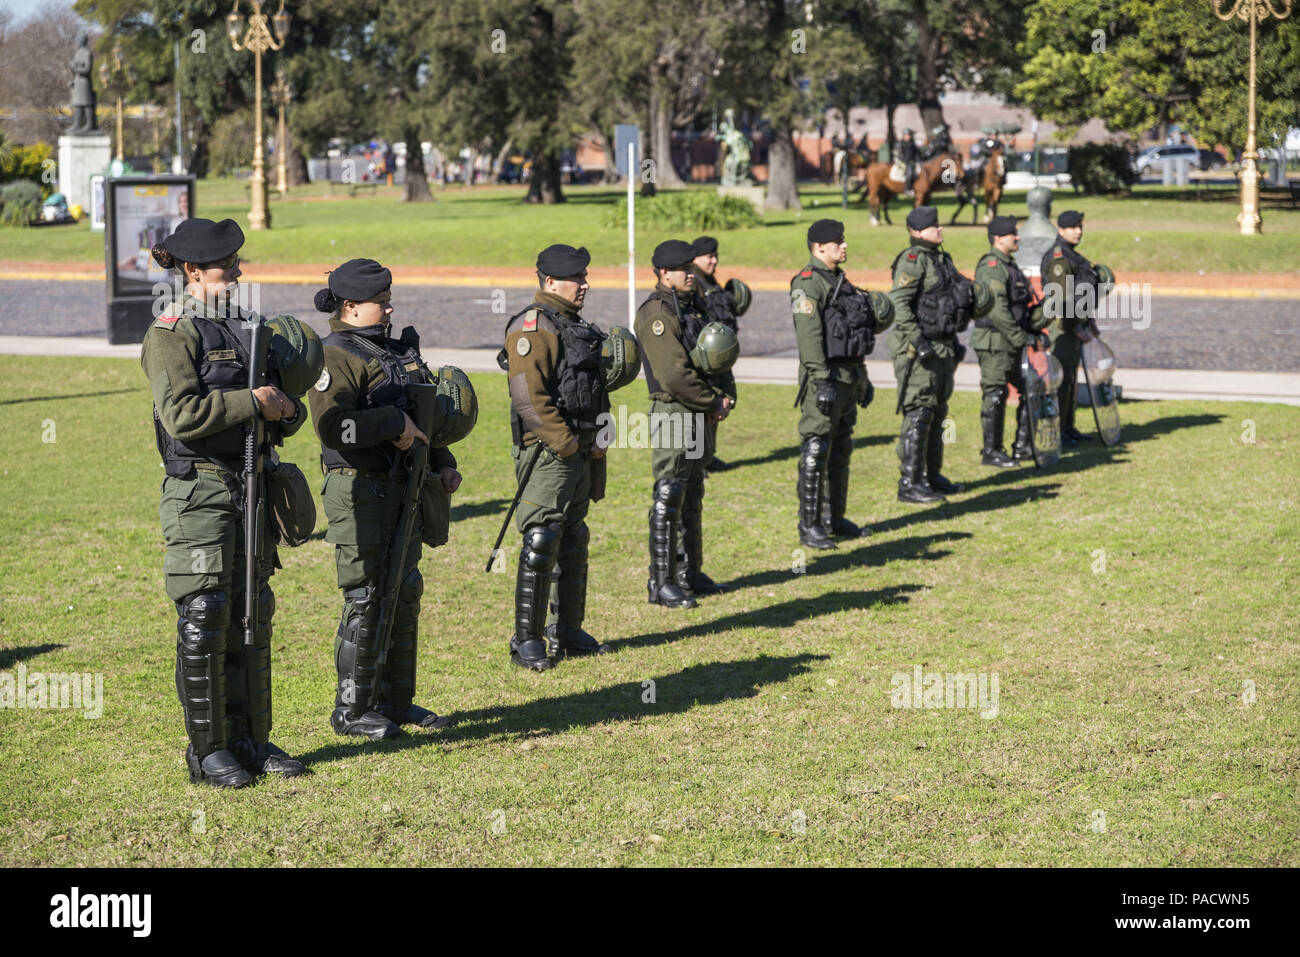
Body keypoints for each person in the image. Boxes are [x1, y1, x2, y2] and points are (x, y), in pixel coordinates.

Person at [142, 217, 310, 788]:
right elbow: (183, 416)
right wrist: (254, 403)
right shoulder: (171, 333)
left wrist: (286, 410)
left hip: (252, 487)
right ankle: (207, 750)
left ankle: (252, 740)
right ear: (193, 272)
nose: (238, 273)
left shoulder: (247, 328)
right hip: (201, 493)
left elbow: (280, 400)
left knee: (251, 611)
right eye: (226, 266)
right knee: (205, 615)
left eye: (237, 263)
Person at [309, 258, 464, 738]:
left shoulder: (395, 351)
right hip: (358, 488)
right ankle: (352, 710)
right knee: (367, 596)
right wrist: (392, 426)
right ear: (352, 307)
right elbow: (334, 426)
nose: (390, 307)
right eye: (381, 302)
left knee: (404, 589)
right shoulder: (335, 354)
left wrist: (441, 460)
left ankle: (397, 701)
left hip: (404, 485)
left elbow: (422, 411)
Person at [502, 244, 613, 671]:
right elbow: (528, 398)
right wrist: (566, 442)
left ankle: (568, 630)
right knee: (540, 540)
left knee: (573, 537)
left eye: (586, 277)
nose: (585, 285)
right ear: (550, 282)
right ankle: (526, 640)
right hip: (549, 453)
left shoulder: (575, 324)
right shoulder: (534, 326)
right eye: (577, 279)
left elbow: (594, 387)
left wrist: (600, 434)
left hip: (582, 449)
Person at [635, 240, 735, 607]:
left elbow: (718, 355)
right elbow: (673, 374)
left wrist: (726, 396)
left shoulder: (694, 306)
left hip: (700, 412)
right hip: (674, 412)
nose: (692, 275)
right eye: (685, 271)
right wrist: (713, 401)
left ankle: (691, 572)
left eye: (693, 270)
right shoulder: (656, 313)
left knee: (693, 493)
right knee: (669, 494)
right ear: (665, 273)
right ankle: (661, 581)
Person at [791, 218, 888, 548]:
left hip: (848, 378)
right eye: (837, 242)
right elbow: (810, 339)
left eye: (843, 240)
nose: (844, 245)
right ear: (819, 247)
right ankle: (810, 525)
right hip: (825, 380)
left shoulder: (840, 281)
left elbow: (853, 334)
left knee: (841, 449)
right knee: (816, 449)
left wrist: (863, 377)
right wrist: (821, 380)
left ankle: (835, 517)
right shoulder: (807, 284)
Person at [888, 206, 982, 504]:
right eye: (933, 226)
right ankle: (910, 482)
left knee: (938, 411)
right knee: (919, 411)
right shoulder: (912, 261)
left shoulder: (942, 259)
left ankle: (932, 475)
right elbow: (899, 304)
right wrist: (918, 339)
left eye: (939, 224)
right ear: (917, 232)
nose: (939, 229)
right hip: (918, 349)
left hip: (942, 344)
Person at [973, 216, 1049, 466]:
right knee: (996, 393)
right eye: (1012, 234)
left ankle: (1023, 446)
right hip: (995, 341)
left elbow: (1022, 310)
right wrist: (1021, 338)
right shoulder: (993, 266)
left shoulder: (1011, 266)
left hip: (1012, 342)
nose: (1018, 237)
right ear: (998, 238)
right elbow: (998, 310)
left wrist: (1037, 328)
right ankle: (991, 451)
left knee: (1032, 387)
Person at [1041, 210, 1101, 445]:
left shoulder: (1071, 255)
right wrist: (1075, 327)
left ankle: (1068, 427)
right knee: (1061, 380)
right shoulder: (1059, 258)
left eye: (1080, 226)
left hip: (1075, 325)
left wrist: (1089, 321)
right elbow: (1060, 298)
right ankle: (1058, 431)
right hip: (1063, 328)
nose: (1079, 231)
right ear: (1060, 230)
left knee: (1070, 381)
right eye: (1073, 227)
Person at [689, 235, 743, 473]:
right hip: (704, 356)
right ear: (695, 258)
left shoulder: (709, 281)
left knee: (717, 402)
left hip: (717, 356)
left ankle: (708, 456)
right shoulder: (694, 283)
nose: (714, 261)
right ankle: (699, 459)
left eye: (715, 256)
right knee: (703, 407)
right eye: (709, 256)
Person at [898, 128, 920, 195]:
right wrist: (906, 161)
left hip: (913, 162)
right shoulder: (901, 144)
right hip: (904, 162)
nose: (908, 137)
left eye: (909, 135)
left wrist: (918, 160)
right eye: (906, 135)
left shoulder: (913, 144)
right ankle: (907, 189)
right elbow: (899, 154)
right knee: (909, 173)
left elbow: (917, 153)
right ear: (904, 136)